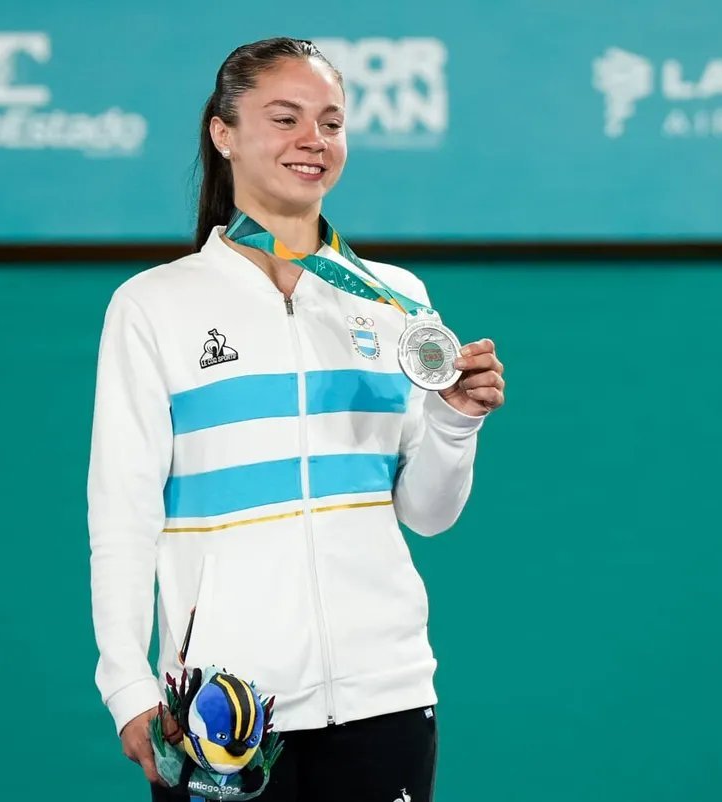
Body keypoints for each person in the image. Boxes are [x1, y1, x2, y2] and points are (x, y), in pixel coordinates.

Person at [88, 37, 506, 802]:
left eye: (331, 122)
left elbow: (428, 515)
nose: (313, 140)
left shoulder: (394, 301)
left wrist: (454, 423)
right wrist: (128, 686)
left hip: (386, 697)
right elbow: (122, 514)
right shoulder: (153, 306)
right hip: (224, 712)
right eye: (285, 118)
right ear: (224, 133)